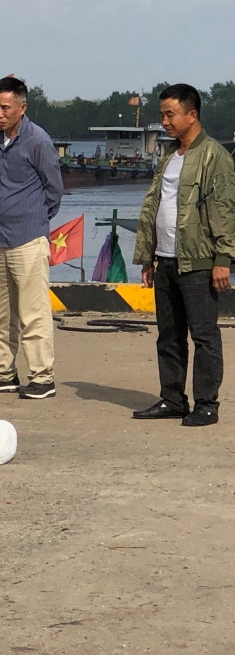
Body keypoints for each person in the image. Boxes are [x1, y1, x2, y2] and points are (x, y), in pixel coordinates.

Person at [130, 84, 235, 427]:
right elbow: (154, 206)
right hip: (165, 259)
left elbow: (224, 210)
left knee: (204, 336)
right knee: (169, 335)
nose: (164, 121)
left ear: (192, 115)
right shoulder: (168, 157)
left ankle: (207, 404)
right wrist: (148, 257)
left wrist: (223, 259)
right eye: (162, 114)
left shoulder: (215, 156)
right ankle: (172, 399)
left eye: (170, 114)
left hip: (198, 262)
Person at [0, 76, 64, 399]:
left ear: (22, 108)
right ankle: (2, 372)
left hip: (28, 237)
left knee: (33, 313)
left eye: (6, 108)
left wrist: (35, 218)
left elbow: (55, 189)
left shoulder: (38, 141)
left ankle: (42, 377)